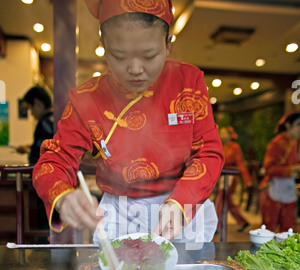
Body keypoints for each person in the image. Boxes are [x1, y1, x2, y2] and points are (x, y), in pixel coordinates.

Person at [33, 0, 224, 244]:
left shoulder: (188, 82)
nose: (135, 69)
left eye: (149, 55)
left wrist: (180, 201)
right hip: (121, 212)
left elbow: (208, 152)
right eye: (119, 55)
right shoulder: (87, 98)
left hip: (181, 205)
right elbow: (55, 160)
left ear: (167, 45)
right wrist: (62, 197)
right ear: (103, 45)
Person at [259, 111, 300, 232]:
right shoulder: (276, 143)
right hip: (273, 189)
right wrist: (293, 169)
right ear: (288, 125)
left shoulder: (293, 143)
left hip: (288, 188)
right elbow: (269, 169)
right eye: (298, 125)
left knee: (289, 228)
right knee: (268, 230)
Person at [215, 126, 252, 233]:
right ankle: (243, 222)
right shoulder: (220, 146)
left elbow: (241, 163)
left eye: (224, 133)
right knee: (227, 202)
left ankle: (217, 226)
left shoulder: (234, 147)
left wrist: (247, 180)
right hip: (222, 177)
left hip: (230, 178)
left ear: (230, 135)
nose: (221, 135)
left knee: (221, 200)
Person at [17, 86, 54, 166]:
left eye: (30, 108)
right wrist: (30, 147)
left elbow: (42, 154)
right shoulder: (55, 120)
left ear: (37, 103)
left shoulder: (44, 124)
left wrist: (29, 151)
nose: (32, 114)